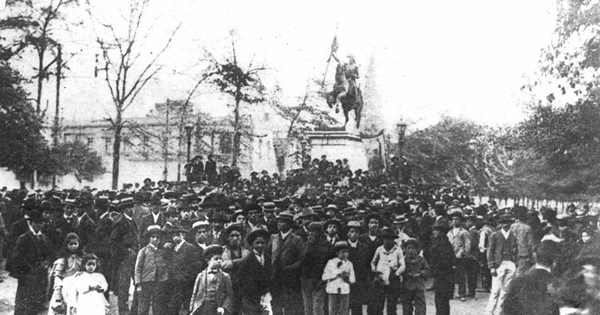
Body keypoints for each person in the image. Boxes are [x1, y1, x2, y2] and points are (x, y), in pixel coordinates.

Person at [9, 210, 53, 315]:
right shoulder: (23, 238)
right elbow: (18, 257)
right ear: (31, 223)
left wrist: (46, 262)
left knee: (38, 302)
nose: (40, 225)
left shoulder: (44, 238)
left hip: (41, 276)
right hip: (27, 276)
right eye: (37, 223)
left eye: (41, 223)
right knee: (24, 302)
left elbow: (49, 253)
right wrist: (30, 269)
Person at [503, 240, 560, 315]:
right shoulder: (558, 286)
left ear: (535, 256)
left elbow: (506, 309)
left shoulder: (518, 281)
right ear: (555, 261)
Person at [267, 211, 304, 315]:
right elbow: (267, 254)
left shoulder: (297, 239)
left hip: (290, 277)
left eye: (282, 222)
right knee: (276, 303)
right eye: (278, 221)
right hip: (275, 277)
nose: (279, 223)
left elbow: (301, 259)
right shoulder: (273, 237)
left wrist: (292, 268)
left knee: (290, 304)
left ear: (289, 224)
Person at [110, 198, 139, 315]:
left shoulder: (132, 221)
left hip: (134, 258)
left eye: (132, 206)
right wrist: (126, 252)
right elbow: (113, 243)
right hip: (125, 259)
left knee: (137, 284)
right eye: (128, 207)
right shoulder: (120, 222)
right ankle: (123, 312)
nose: (131, 209)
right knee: (124, 286)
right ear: (123, 209)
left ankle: (133, 311)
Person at [166, 226, 203, 315]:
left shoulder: (191, 248)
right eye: (173, 235)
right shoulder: (171, 249)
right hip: (174, 284)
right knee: (173, 307)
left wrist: (185, 277)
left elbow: (195, 266)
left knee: (188, 306)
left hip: (186, 283)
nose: (175, 236)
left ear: (183, 235)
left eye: (178, 234)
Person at [485, 215, 518, 315]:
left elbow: (515, 251)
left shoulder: (513, 236)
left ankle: (499, 311)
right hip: (499, 264)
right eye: (504, 222)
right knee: (495, 290)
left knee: (505, 291)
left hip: (510, 264)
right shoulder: (495, 235)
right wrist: (491, 267)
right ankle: (489, 311)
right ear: (501, 224)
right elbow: (490, 251)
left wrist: (515, 263)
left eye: (508, 223)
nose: (506, 225)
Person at [189, 244, 234, 315]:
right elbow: (194, 294)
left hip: (217, 309)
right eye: (216, 259)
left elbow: (229, 295)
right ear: (208, 261)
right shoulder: (200, 276)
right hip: (202, 309)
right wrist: (191, 310)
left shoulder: (225, 276)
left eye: (220, 259)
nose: (219, 261)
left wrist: (223, 308)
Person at [134, 225, 169, 315]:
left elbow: (166, 266)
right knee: (143, 306)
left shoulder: (163, 251)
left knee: (158, 306)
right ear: (149, 238)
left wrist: (165, 278)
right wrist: (138, 284)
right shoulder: (143, 251)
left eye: (158, 237)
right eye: (153, 237)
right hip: (146, 282)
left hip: (159, 282)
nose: (155, 239)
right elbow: (138, 269)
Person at [299, 222, 332, 315]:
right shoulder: (307, 244)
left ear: (318, 232)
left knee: (317, 305)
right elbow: (301, 259)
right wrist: (309, 244)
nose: (310, 234)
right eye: (309, 231)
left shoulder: (326, 245)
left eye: (312, 231)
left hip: (319, 279)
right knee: (308, 305)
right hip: (306, 278)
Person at [370, 227, 405, 315]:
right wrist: (374, 270)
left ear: (393, 240)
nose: (386, 241)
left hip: (393, 278)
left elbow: (403, 265)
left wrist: (397, 273)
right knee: (379, 302)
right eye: (385, 238)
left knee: (392, 303)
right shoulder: (379, 249)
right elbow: (373, 262)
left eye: (389, 239)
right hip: (380, 277)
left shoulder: (398, 250)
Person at [48, 232, 84, 315]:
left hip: (79, 288)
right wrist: (58, 295)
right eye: (71, 244)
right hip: (65, 289)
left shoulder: (82, 258)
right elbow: (57, 277)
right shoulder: (62, 260)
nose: (73, 246)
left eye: (75, 243)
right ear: (66, 245)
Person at [239, 229, 273, 315]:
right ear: (252, 244)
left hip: (267, 296)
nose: (260, 245)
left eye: (262, 243)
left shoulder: (269, 258)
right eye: (257, 243)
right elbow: (242, 282)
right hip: (251, 298)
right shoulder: (246, 261)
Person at [221, 223, 250, 315]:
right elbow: (223, 265)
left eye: (237, 235)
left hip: (242, 286)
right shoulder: (221, 251)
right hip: (227, 286)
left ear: (241, 237)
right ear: (228, 238)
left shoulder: (247, 253)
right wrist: (238, 261)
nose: (235, 238)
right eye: (232, 236)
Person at [429, 219, 455, 315]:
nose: (433, 232)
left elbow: (443, 262)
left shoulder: (442, 245)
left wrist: (433, 270)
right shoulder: (443, 243)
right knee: (443, 302)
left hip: (443, 276)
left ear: (442, 232)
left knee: (441, 301)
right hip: (444, 276)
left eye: (436, 230)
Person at [322, 241, 355, 315]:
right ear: (337, 253)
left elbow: (353, 279)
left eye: (347, 252)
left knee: (344, 311)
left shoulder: (349, 264)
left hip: (344, 290)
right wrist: (337, 274)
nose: (345, 254)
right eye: (343, 252)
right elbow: (324, 277)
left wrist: (347, 278)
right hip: (333, 290)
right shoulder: (331, 262)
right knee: (332, 310)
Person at [344, 221, 369, 315]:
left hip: (359, 281)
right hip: (345, 281)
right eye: (351, 231)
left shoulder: (364, 247)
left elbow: (367, 264)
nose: (354, 234)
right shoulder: (342, 247)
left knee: (357, 306)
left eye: (356, 232)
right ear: (347, 234)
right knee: (344, 306)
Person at [400, 238, 429, 315]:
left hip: (418, 286)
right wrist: (407, 274)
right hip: (407, 286)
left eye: (413, 248)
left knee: (421, 307)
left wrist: (420, 274)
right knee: (407, 307)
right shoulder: (403, 260)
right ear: (405, 249)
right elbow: (400, 271)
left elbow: (427, 270)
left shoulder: (421, 259)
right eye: (409, 248)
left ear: (417, 249)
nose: (411, 250)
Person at [446, 211, 471, 301]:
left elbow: (468, 245)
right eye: (453, 219)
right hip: (451, 256)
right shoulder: (449, 232)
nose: (454, 221)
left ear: (460, 220)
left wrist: (464, 254)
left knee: (461, 275)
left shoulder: (464, 232)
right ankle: (450, 293)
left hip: (460, 256)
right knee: (450, 275)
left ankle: (462, 294)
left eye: (456, 219)